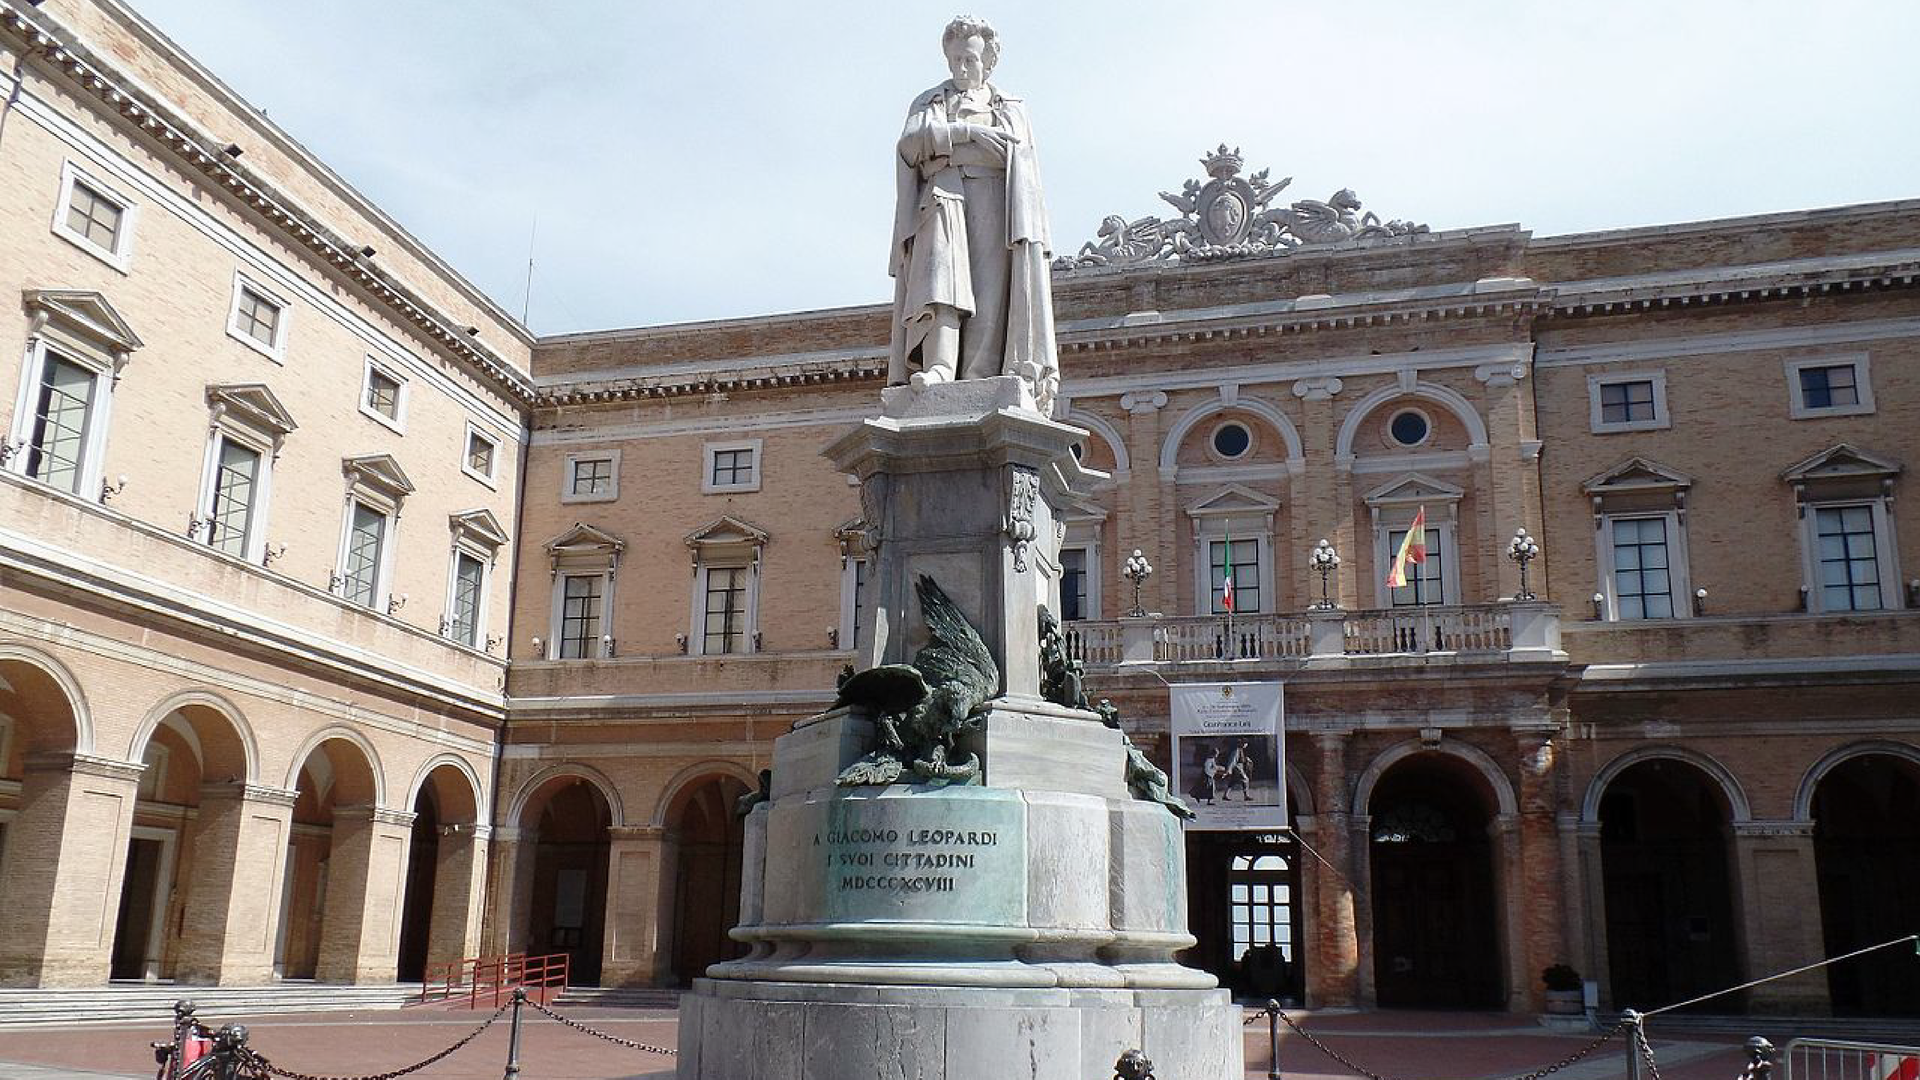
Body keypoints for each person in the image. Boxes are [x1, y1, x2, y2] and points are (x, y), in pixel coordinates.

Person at [888, 16, 1059, 413]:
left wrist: (943, 144)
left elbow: (1014, 155)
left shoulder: (1009, 107)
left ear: (989, 62)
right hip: (942, 195)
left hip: (993, 198)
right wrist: (968, 136)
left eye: (970, 60)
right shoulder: (928, 102)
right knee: (938, 282)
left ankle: (980, 374)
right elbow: (910, 148)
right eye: (955, 61)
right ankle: (941, 367)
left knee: (988, 287)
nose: (962, 69)